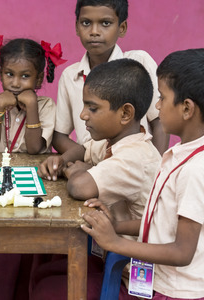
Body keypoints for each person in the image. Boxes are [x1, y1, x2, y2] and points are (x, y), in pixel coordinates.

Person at [82, 48, 204, 299]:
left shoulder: (196, 171)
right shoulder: (180, 154)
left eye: (162, 98)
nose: (156, 106)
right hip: (156, 284)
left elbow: (182, 251)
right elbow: (162, 224)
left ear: (187, 109)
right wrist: (117, 225)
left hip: (174, 293)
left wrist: (115, 242)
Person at [32, 58, 162, 299]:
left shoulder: (135, 157)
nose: (82, 115)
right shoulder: (116, 140)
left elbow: (79, 187)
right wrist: (61, 160)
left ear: (125, 113)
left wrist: (75, 171)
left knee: (46, 291)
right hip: (112, 258)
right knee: (42, 274)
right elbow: (84, 150)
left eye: (92, 108)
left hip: (132, 277)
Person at [52, 0, 169, 155]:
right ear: (76, 27)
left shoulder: (138, 63)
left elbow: (159, 122)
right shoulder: (70, 75)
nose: (94, 31)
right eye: (86, 23)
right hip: (91, 170)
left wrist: (153, 170)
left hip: (134, 168)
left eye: (105, 23)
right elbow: (59, 136)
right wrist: (89, 158)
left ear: (122, 28)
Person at [0, 35, 66, 154]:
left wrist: (32, 106)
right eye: (9, 74)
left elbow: (34, 149)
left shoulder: (46, 106)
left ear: (38, 79)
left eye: (25, 76)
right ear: (1, 74)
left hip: (34, 170)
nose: (16, 84)